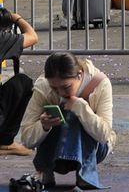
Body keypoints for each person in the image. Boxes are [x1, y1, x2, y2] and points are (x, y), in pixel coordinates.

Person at [21, 52, 115, 190]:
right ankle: (44, 171)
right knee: (60, 112)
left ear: (79, 75)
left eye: (66, 87)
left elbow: (104, 136)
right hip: (55, 153)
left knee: (74, 111)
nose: (60, 93)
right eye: (54, 88)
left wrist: (81, 107)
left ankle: (84, 174)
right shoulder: (43, 86)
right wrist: (43, 126)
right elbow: (26, 139)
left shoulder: (100, 84)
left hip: (94, 151)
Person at [0, 6, 38, 156]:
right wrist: (17, 18)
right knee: (23, 83)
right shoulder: (2, 39)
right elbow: (32, 36)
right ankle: (6, 143)